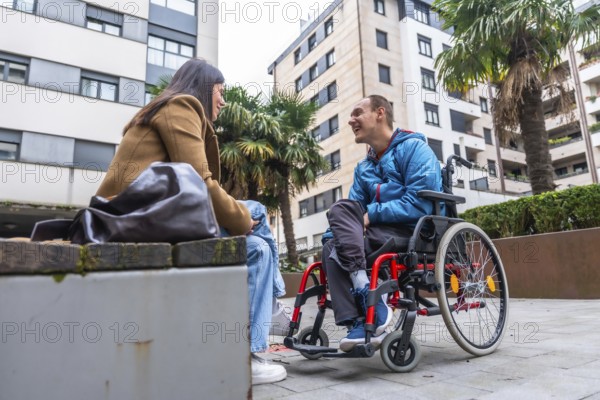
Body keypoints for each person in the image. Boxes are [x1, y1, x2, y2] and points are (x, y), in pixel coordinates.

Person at [96, 58, 287, 385]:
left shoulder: (167, 109)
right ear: (203, 87)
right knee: (253, 212)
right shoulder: (180, 105)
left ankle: (252, 345)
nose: (224, 101)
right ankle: (272, 308)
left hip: (150, 216)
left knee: (257, 248)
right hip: (136, 218)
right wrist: (241, 218)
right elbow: (201, 182)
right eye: (220, 91)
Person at [321, 95, 443, 352]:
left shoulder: (414, 149)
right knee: (334, 233)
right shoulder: (363, 168)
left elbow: (419, 203)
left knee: (342, 238)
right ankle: (360, 320)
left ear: (379, 113)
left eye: (357, 113)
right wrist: (333, 235)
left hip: (415, 230)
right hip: (375, 232)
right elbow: (352, 210)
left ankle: (372, 309)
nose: (350, 120)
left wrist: (372, 214)